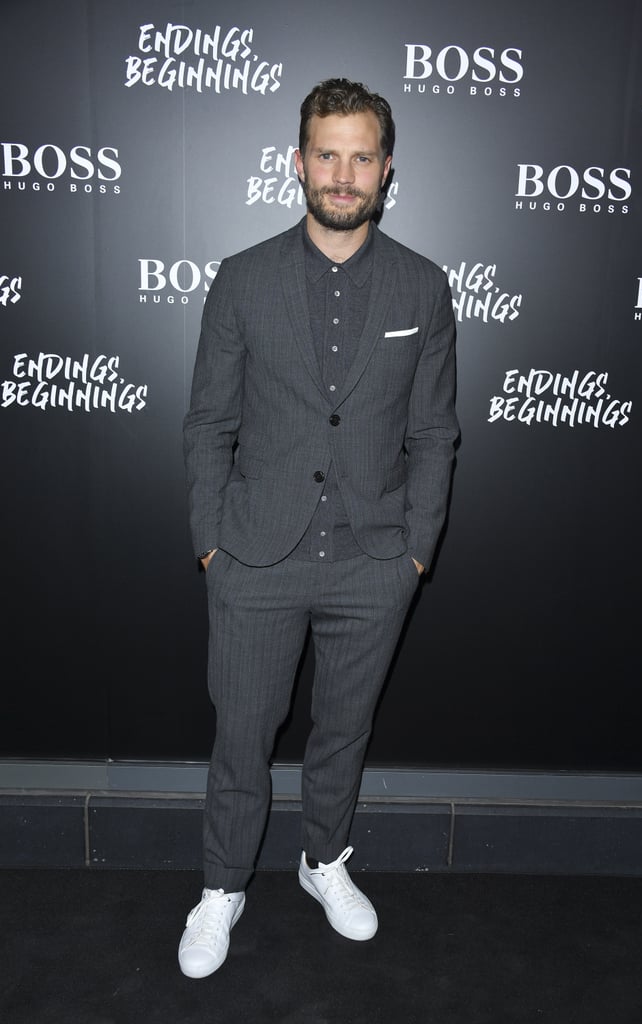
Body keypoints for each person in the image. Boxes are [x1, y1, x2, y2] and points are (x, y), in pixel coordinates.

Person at [179, 77, 459, 979]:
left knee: (344, 730)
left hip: (374, 560)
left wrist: (414, 548)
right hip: (255, 557)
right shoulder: (242, 278)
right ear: (298, 163)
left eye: (361, 156)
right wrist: (211, 542)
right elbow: (207, 425)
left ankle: (321, 860)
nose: (344, 174)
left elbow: (432, 431)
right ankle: (223, 884)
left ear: (386, 170)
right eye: (326, 154)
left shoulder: (422, 284)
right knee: (243, 733)